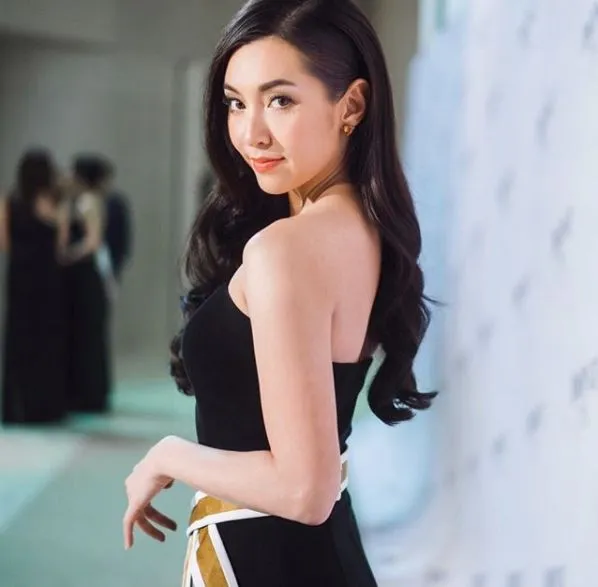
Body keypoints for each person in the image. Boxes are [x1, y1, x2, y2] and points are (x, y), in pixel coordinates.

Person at [122, 0, 436, 585]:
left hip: (263, 558)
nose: (250, 133)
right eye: (236, 103)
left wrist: (168, 454)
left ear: (352, 106)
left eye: (280, 100)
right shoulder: (360, 228)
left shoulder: (286, 249)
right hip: (312, 553)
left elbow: (304, 490)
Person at [1, 148, 69, 424]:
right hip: (48, 279)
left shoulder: (9, 202)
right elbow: (60, 245)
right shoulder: (53, 203)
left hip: (20, 278)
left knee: (19, 340)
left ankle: (16, 407)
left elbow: (5, 243)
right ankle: (45, 407)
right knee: (47, 340)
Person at [61, 155, 113, 413]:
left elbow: (92, 242)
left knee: (87, 335)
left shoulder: (88, 201)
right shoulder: (87, 200)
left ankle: (89, 396)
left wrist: (67, 256)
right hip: (85, 275)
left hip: (86, 276)